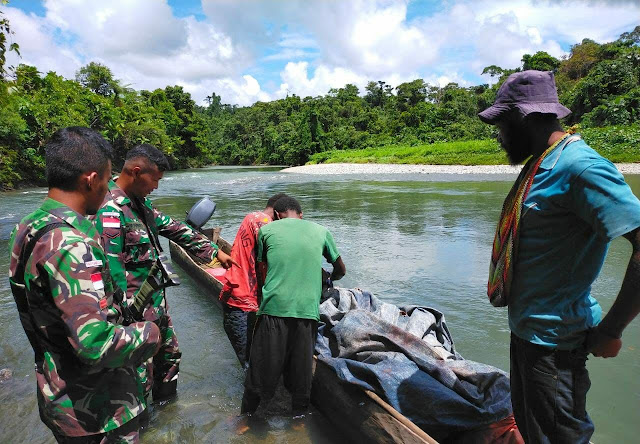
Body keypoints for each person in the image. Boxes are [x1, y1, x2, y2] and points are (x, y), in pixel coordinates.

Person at [479, 70, 640, 443]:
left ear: (521, 117)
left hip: (554, 343)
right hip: (528, 333)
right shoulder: (540, 164)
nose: (500, 136)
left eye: (502, 124)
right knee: (535, 430)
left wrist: (612, 330)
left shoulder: (581, 168)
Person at [8, 127, 161, 443]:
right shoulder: (72, 245)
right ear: (91, 179)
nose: (108, 189)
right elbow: (95, 345)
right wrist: (149, 334)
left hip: (58, 395)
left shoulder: (28, 226)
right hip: (99, 412)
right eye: (106, 179)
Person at [94, 144, 236, 403]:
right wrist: (120, 324)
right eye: (155, 180)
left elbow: (173, 228)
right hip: (132, 317)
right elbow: (110, 274)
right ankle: (145, 427)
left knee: (169, 359)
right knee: (139, 375)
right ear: (137, 172)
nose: (156, 187)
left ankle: (168, 414)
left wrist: (215, 252)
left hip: (155, 306)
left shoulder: (140, 205)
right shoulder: (110, 211)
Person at [241, 196, 346, 417]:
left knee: (260, 369)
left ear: (277, 215)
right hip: (307, 312)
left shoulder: (266, 232)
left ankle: (247, 418)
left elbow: (263, 271)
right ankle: (299, 420)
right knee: (301, 370)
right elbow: (340, 269)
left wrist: (262, 300)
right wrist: (329, 280)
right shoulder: (321, 230)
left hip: (273, 309)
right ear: (301, 214)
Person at [219, 192, 288, 368]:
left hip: (241, 299)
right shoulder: (262, 221)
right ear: (280, 212)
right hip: (242, 302)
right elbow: (270, 261)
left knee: (251, 359)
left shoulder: (254, 217)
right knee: (249, 363)